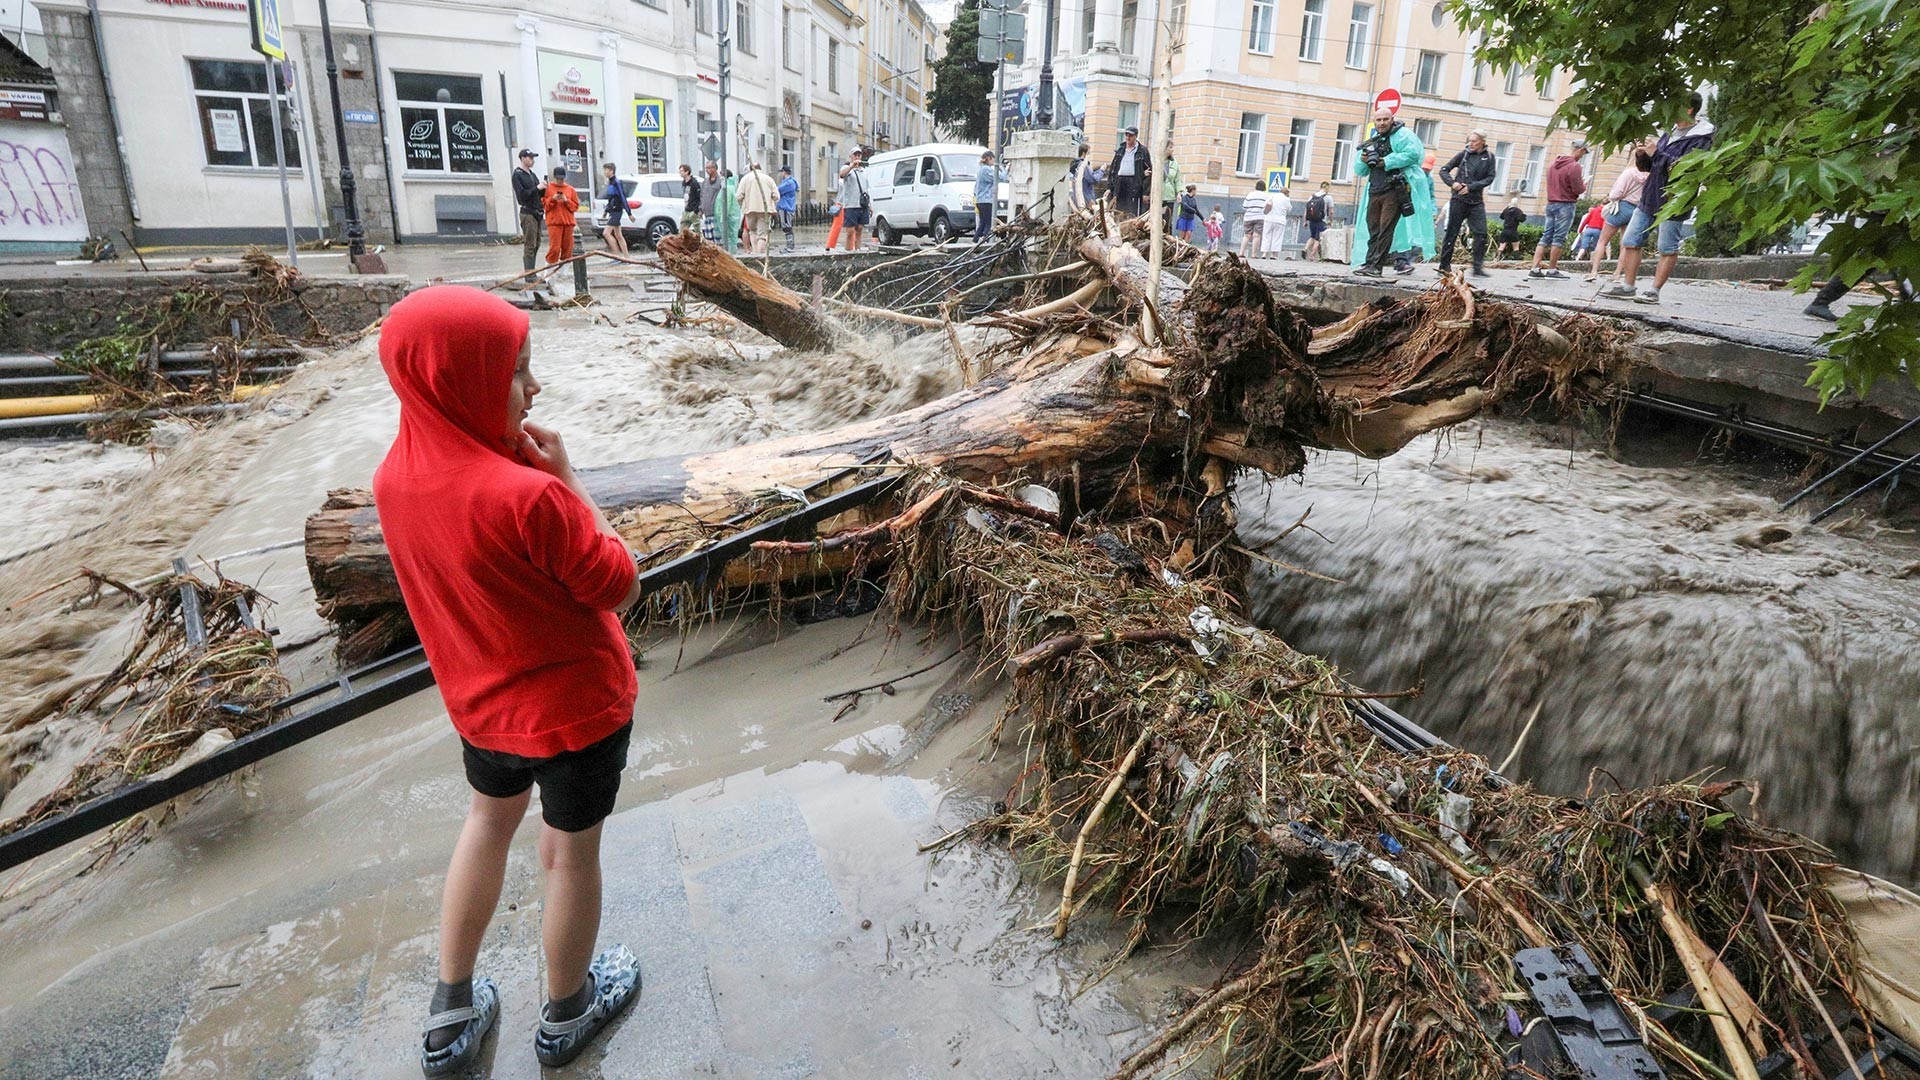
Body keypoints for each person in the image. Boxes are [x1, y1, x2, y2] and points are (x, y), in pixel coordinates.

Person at [376, 287, 645, 1077]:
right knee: (568, 855)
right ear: (459, 381)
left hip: (481, 714)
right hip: (578, 716)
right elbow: (618, 584)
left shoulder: (392, 482)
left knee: (486, 827)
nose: (536, 389)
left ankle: (451, 1010)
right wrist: (568, 482)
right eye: (518, 371)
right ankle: (567, 1013)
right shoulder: (527, 497)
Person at [1603, 92, 1715, 305]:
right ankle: (1628, 286)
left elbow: (1684, 168)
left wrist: (1657, 154)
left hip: (1675, 200)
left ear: (1689, 110)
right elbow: (1651, 167)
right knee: (1630, 240)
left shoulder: (1702, 138)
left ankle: (1654, 291)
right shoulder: (1670, 133)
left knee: (1667, 247)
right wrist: (1642, 155)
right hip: (1650, 196)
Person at [1350, 106, 1434, 277]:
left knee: (1385, 228)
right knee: (1373, 227)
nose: (1381, 123)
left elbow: (1413, 154)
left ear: (1392, 119)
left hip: (1394, 189)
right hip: (1375, 189)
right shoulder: (1373, 140)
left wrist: (1385, 161)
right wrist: (1365, 160)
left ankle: (1376, 266)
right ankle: (1369, 262)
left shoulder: (1403, 135)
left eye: (1385, 119)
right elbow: (1360, 170)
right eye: (1378, 120)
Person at [1588, 140, 1650, 282]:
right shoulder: (1649, 176)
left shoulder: (1628, 173)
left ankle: (1594, 271)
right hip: (1637, 210)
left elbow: (1615, 194)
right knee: (1625, 244)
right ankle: (1617, 274)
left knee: (1602, 241)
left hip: (1621, 208)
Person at [1435, 131, 1495, 276]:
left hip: (1476, 201)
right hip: (1458, 200)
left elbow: (1490, 178)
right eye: (1470, 141)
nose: (1471, 144)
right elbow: (1444, 170)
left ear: (1482, 141)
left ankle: (1477, 267)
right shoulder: (1463, 155)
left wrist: (1471, 187)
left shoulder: (1489, 157)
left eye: (1474, 141)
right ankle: (1444, 266)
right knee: (1452, 232)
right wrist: (1453, 184)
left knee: (1481, 233)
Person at [1528, 139, 1589, 278]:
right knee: (1559, 238)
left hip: (1550, 203)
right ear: (1580, 150)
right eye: (1584, 153)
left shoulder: (1553, 164)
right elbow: (1578, 189)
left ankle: (1535, 269)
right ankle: (1552, 269)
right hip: (1565, 204)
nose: (1582, 156)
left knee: (1546, 235)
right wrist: (1584, 185)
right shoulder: (1574, 166)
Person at [736, 161, 780, 254]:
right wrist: (770, 201)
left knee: (752, 231)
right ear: (760, 168)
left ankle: (755, 253)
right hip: (765, 210)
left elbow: (739, 196)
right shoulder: (768, 179)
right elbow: (776, 196)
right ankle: (760, 255)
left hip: (749, 210)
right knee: (762, 235)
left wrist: (743, 206)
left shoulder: (745, 179)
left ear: (751, 169)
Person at [512, 150, 545, 273]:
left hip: (536, 212)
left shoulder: (532, 174)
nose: (532, 160)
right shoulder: (518, 174)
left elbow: (538, 193)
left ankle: (532, 271)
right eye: (530, 158)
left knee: (537, 243)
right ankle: (529, 273)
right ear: (522, 158)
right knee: (530, 244)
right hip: (528, 213)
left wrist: (544, 189)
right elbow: (522, 196)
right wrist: (537, 188)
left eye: (533, 158)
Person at [1109, 126, 1152, 217]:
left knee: (1131, 212)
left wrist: (1145, 193)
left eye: (1130, 135)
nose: (1128, 138)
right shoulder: (1120, 150)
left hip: (1134, 184)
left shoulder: (1142, 151)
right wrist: (1110, 188)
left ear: (1136, 136)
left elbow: (1149, 173)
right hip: (1120, 183)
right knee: (1118, 211)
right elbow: (1113, 169)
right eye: (1126, 135)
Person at [542, 167, 578, 269]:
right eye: (558, 179)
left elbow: (575, 207)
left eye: (562, 179)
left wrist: (566, 201)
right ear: (554, 178)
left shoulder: (571, 190)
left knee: (568, 249)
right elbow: (545, 206)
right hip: (554, 223)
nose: (560, 181)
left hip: (568, 223)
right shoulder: (548, 189)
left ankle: (563, 273)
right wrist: (552, 199)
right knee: (555, 248)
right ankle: (548, 272)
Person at [837, 149, 870, 252]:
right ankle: (848, 251)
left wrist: (870, 205)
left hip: (862, 204)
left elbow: (866, 189)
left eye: (859, 155)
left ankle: (858, 250)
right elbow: (842, 175)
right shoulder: (847, 168)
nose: (857, 157)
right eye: (855, 154)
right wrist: (852, 166)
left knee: (860, 228)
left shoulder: (864, 171)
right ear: (851, 156)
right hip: (850, 204)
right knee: (850, 230)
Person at [973, 150, 1007, 243]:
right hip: (986, 201)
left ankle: (975, 241)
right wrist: (1005, 169)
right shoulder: (986, 169)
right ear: (989, 158)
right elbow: (1000, 177)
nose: (994, 162)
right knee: (989, 223)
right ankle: (986, 241)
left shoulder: (980, 170)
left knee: (982, 223)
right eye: (993, 159)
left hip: (980, 200)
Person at [597, 164, 628, 257]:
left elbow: (622, 197)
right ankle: (626, 257)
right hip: (614, 211)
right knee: (618, 235)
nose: (604, 172)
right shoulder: (610, 183)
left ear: (611, 171)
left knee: (606, 233)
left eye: (606, 170)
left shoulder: (616, 182)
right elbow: (611, 199)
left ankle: (617, 255)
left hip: (617, 211)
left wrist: (629, 212)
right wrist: (606, 211)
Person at [1068, 144, 1104, 212]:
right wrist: (1101, 170)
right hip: (1086, 199)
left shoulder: (1075, 164)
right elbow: (1094, 179)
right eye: (1089, 152)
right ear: (1084, 153)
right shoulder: (1083, 165)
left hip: (1077, 198)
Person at [1238, 179, 1269, 259]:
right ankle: (1254, 254)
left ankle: (1241, 252)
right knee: (1257, 236)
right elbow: (1268, 206)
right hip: (1260, 217)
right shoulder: (1266, 196)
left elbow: (1244, 206)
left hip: (1248, 217)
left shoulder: (1250, 195)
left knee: (1247, 235)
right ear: (1264, 187)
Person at [1303, 181, 1332, 262]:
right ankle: (1312, 255)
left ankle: (1305, 249)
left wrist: (1305, 221)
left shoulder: (1312, 196)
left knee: (1312, 236)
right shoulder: (1328, 198)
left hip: (1312, 220)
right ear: (1327, 188)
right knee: (1318, 239)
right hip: (1322, 220)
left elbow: (1306, 210)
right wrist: (1330, 220)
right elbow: (1331, 212)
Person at [1261, 184, 1292, 258]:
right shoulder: (1286, 199)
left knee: (1266, 236)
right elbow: (1289, 209)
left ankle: (1264, 254)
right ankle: (1273, 255)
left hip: (1269, 219)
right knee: (1277, 237)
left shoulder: (1272, 196)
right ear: (1287, 193)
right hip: (1280, 221)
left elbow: (1265, 205)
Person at [717, 169, 741, 254]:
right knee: (731, 238)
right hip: (731, 217)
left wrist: (723, 217)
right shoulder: (731, 187)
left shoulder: (727, 188)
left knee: (729, 238)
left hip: (728, 217)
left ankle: (731, 255)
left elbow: (726, 204)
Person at [776, 166, 799, 252]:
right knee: (786, 226)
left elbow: (777, 190)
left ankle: (790, 247)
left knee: (787, 227)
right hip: (787, 207)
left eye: (781, 172)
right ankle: (790, 246)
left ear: (784, 172)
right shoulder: (791, 182)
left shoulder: (788, 183)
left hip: (786, 207)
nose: (780, 174)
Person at [699, 160, 722, 241]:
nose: (707, 170)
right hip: (707, 215)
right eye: (706, 168)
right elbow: (702, 196)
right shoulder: (705, 182)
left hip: (716, 215)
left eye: (709, 168)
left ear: (715, 168)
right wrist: (701, 210)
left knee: (717, 239)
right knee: (709, 239)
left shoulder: (720, 181)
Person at [678, 164, 702, 235]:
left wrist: (696, 210)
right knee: (681, 231)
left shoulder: (694, 183)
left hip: (693, 210)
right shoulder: (684, 183)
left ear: (687, 172)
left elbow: (699, 197)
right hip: (686, 210)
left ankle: (700, 244)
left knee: (697, 231)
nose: (680, 173)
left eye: (682, 171)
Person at [1160, 154, 1181, 229]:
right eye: (1170, 147)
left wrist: (1179, 193)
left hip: (1169, 196)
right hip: (1158, 196)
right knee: (1157, 220)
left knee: (1167, 221)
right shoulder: (1157, 160)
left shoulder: (1174, 163)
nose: (1172, 150)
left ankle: (1166, 237)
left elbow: (1178, 179)